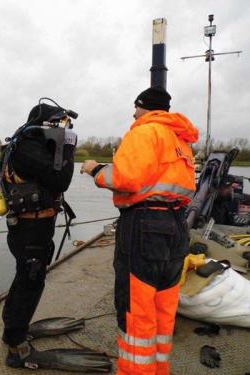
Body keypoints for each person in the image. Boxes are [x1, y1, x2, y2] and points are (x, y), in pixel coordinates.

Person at [81, 86, 199, 375]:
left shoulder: (144, 132)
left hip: (144, 224)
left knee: (137, 309)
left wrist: (95, 169)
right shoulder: (179, 141)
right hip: (176, 224)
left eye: (135, 108)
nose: (133, 114)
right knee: (163, 306)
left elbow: (125, 178)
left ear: (144, 106)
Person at [0, 102, 77, 368]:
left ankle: (12, 327)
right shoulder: (27, 148)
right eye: (58, 124)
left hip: (29, 227)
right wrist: (67, 146)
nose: (62, 129)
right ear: (45, 123)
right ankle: (16, 346)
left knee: (25, 276)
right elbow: (61, 180)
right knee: (32, 281)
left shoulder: (24, 144)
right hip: (30, 228)